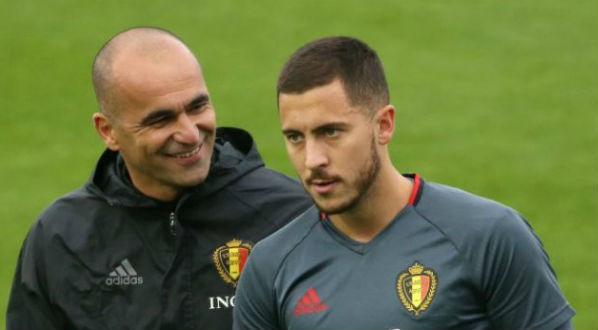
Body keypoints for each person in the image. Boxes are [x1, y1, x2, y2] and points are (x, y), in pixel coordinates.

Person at [233, 36, 575, 330]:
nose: (312, 159)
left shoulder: (491, 237)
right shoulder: (269, 267)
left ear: (384, 125)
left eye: (331, 132)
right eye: (295, 137)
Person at [6, 27, 312, 330]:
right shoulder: (61, 238)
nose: (190, 134)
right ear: (107, 131)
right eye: (161, 119)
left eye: (198, 107)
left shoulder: (293, 216)